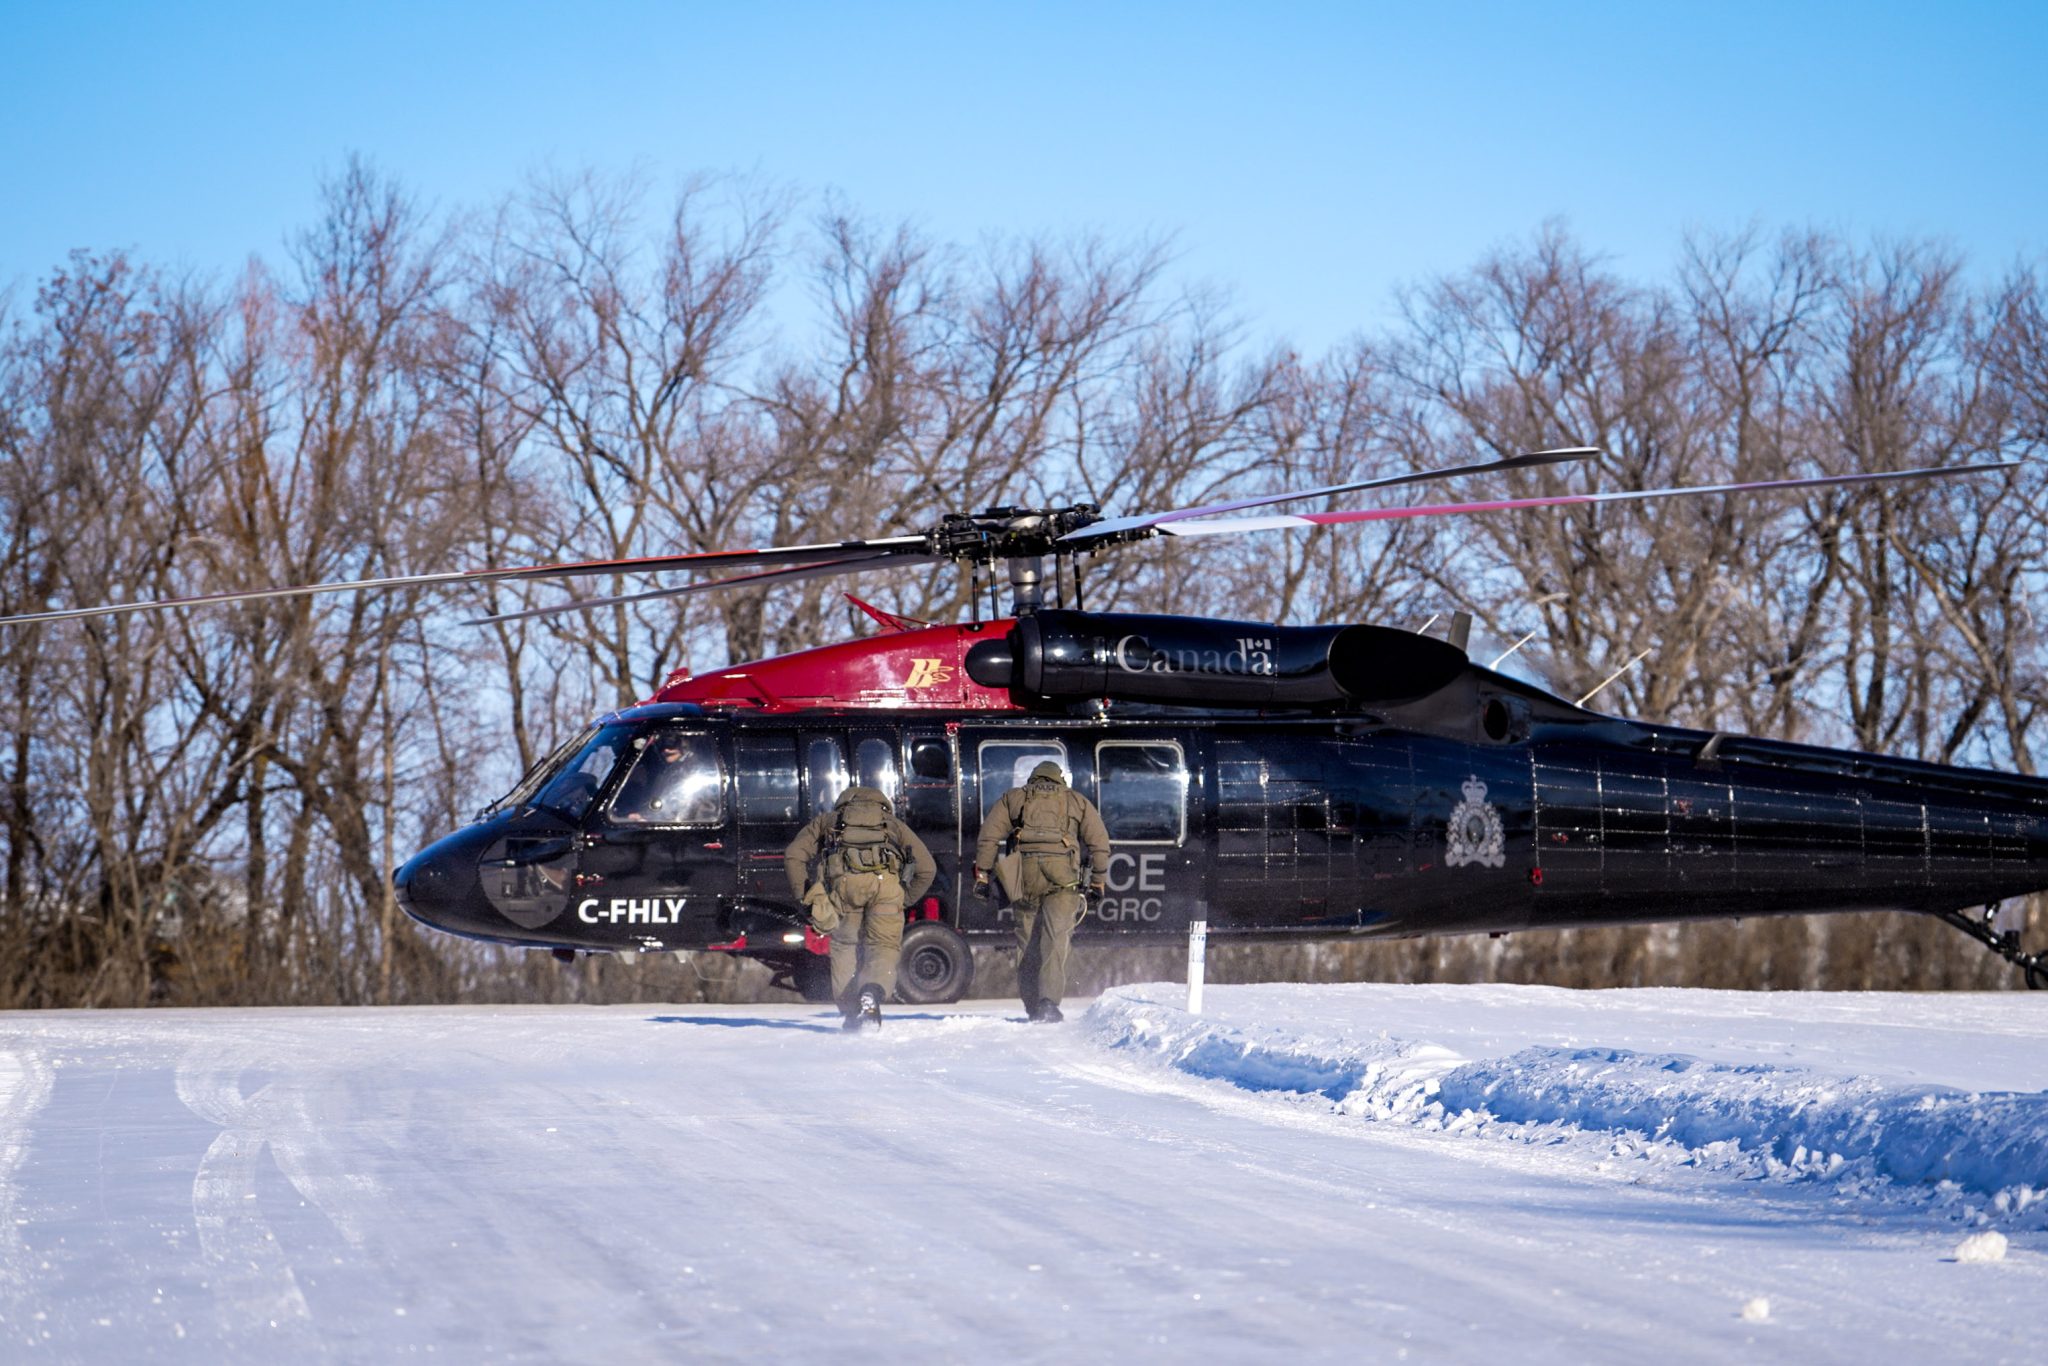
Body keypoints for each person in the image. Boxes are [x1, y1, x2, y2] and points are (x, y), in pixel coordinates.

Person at [784, 785, 935, 1031]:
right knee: (883, 946)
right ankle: (871, 994)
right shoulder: (893, 825)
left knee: (845, 946)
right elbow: (927, 868)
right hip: (887, 889)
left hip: (844, 889)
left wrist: (805, 897)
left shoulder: (828, 822)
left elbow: (794, 854)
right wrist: (904, 899)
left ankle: (852, 1012)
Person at [973, 760, 1110, 1023]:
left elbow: (988, 836)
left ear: (1033, 779)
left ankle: (1031, 1006)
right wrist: (1097, 881)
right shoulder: (1076, 800)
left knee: (1026, 941)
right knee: (1055, 940)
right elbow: (1099, 842)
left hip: (1024, 876)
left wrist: (983, 874)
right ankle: (1048, 1003)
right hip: (1063, 880)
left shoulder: (1014, 798)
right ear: (1060, 779)